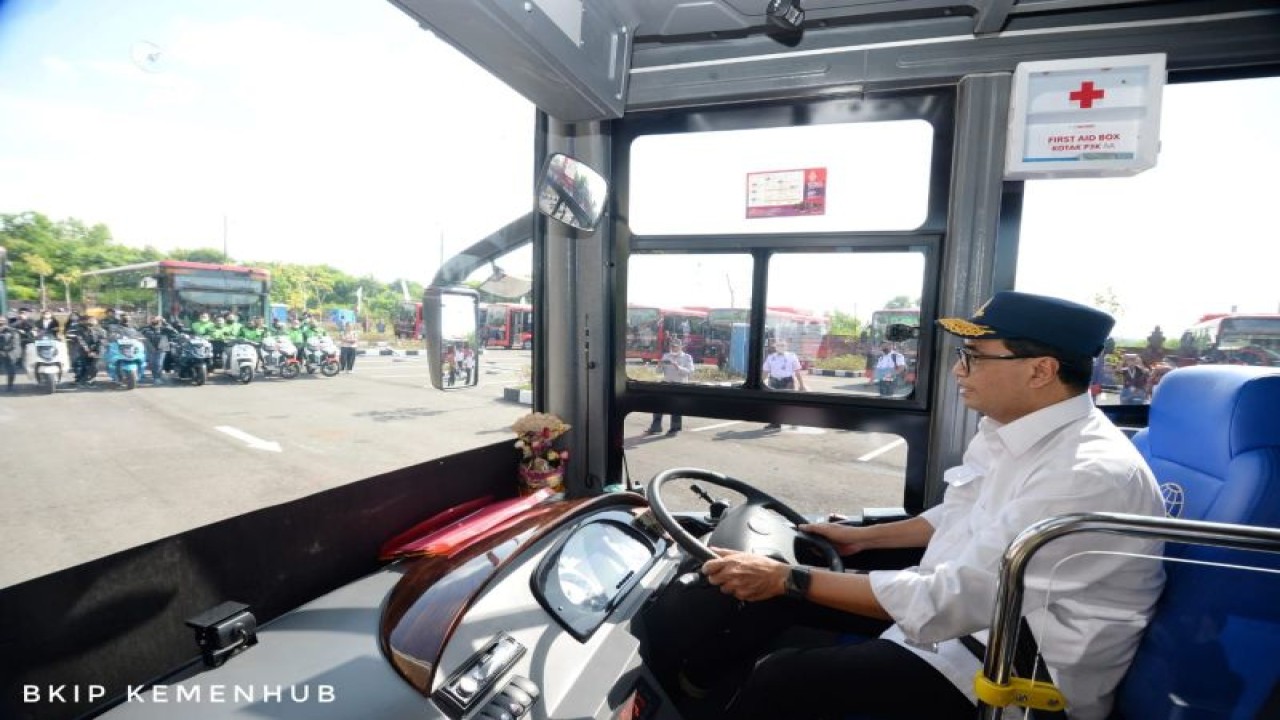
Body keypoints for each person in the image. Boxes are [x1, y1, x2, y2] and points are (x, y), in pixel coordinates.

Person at [699, 291, 1166, 720]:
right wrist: (863, 539)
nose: (959, 371)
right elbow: (964, 512)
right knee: (763, 605)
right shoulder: (1013, 430)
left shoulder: (1086, 472)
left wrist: (786, 577)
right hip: (971, 625)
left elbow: (951, 600)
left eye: (974, 357)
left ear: (1040, 370)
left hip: (1019, 672)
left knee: (782, 678)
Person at [645, 337, 694, 436]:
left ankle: (675, 428)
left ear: (681, 347)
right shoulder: (666, 356)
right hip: (667, 384)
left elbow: (690, 371)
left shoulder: (687, 357)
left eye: (676, 347)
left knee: (675, 407)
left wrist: (678, 367)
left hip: (679, 385)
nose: (674, 348)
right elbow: (659, 372)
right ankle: (656, 427)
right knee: (658, 405)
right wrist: (659, 366)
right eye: (672, 346)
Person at [761, 338, 807, 429]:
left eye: (783, 345)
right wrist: (760, 383)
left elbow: (797, 371)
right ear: (775, 347)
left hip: (787, 381)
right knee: (773, 403)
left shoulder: (792, 356)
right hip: (773, 381)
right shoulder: (770, 357)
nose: (780, 347)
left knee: (789, 402)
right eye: (778, 345)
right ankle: (775, 423)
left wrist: (801, 385)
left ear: (786, 347)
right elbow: (765, 372)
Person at [139, 316, 174, 384]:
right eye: (153, 320)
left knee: (158, 363)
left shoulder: (164, 328)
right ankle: (155, 376)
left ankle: (157, 378)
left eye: (157, 320)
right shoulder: (146, 329)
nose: (155, 321)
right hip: (150, 347)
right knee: (152, 363)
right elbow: (139, 332)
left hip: (162, 345)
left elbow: (173, 331)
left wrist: (165, 323)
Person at [0, 316, 20, 391]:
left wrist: (13, 352)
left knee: (11, 371)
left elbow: (15, 342)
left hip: (9, 353)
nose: (1, 322)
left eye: (2, 320)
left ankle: (10, 385)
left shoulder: (12, 331)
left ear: (6, 321)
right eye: (0, 320)